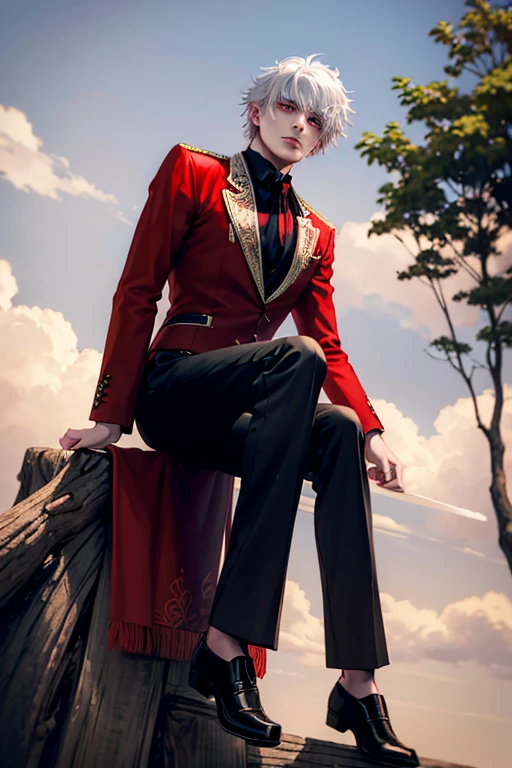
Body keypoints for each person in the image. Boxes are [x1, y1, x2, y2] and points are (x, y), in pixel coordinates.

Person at [59, 54, 419, 766]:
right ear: (257, 111)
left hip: (254, 416)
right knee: (296, 359)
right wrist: (112, 412)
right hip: (175, 390)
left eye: (315, 120)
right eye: (288, 108)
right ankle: (226, 643)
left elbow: (331, 343)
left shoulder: (317, 234)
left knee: (339, 432)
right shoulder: (192, 172)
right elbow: (137, 289)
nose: (300, 124)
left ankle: (358, 682)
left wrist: (373, 429)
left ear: (320, 141)